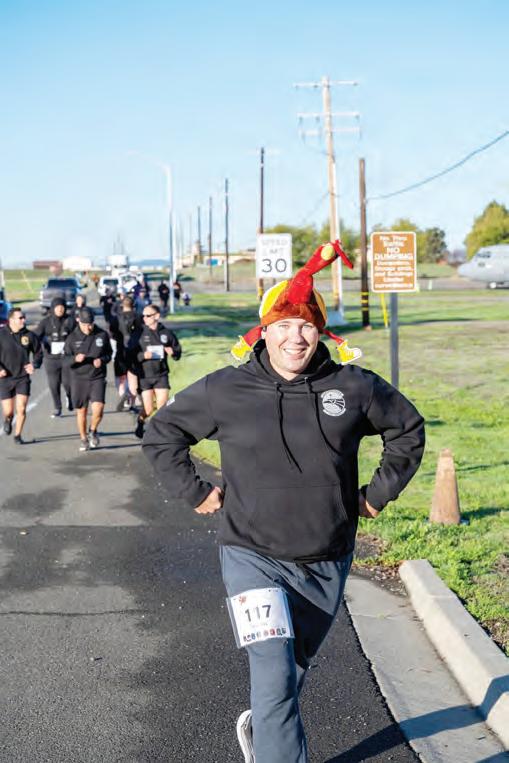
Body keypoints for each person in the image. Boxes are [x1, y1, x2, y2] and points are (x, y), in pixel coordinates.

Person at [143, 241, 426, 763]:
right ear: (264, 330)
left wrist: (377, 496)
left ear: (321, 331)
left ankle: (265, 725)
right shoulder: (226, 390)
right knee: (273, 669)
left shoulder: (353, 386)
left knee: (293, 666)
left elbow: (407, 430)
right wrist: (195, 491)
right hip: (250, 552)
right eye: (284, 325)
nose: (295, 337)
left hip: (327, 554)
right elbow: (162, 433)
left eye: (306, 326)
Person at [64, 306, 112, 452]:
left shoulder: (102, 335)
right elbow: (64, 360)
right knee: (82, 411)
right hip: (79, 379)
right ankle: (84, 439)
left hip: (97, 377)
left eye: (90, 324)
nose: (88, 328)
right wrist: (75, 359)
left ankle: (93, 430)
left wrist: (102, 360)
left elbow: (109, 354)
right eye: (85, 325)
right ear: (79, 321)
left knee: (99, 409)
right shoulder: (72, 338)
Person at [129, 303, 181, 439]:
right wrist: (143, 355)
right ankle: (141, 421)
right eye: (143, 316)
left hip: (161, 375)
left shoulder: (166, 333)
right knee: (148, 409)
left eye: (148, 315)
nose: (144, 318)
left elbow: (177, 353)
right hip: (145, 376)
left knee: (162, 407)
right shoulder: (139, 333)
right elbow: (131, 356)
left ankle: (158, 434)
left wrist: (173, 352)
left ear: (156, 316)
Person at [0, 307, 43, 444]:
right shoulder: (1, 334)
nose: (23, 320)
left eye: (24, 317)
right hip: (5, 378)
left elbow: (38, 353)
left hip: (22, 378)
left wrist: (34, 365)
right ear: (11, 320)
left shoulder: (29, 335)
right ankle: (8, 419)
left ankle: (17, 435)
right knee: (8, 411)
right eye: (20, 318)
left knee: (22, 408)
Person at [36, 296, 75, 417]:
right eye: (57, 307)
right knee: (54, 385)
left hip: (66, 357)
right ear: (53, 308)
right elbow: (36, 337)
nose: (60, 309)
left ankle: (69, 396)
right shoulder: (45, 322)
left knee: (68, 383)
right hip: (51, 359)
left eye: (62, 307)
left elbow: (78, 335)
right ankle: (57, 408)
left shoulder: (70, 321)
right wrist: (42, 344)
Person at [108, 296, 142, 411]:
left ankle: (124, 394)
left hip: (121, 349)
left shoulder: (116, 318)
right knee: (133, 376)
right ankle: (132, 401)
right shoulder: (138, 317)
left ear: (122, 305)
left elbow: (112, 334)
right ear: (133, 305)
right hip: (136, 349)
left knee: (121, 376)